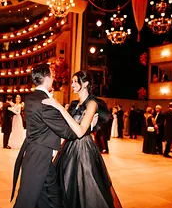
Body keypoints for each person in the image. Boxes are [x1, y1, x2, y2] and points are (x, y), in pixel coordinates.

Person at [42, 70, 122, 208]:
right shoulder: (74, 104)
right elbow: (66, 127)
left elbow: (79, 132)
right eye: (72, 81)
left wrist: (60, 107)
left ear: (85, 83)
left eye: (75, 81)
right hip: (68, 147)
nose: (72, 84)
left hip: (83, 150)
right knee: (63, 185)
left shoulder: (92, 104)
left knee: (86, 188)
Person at [11, 64, 79, 208]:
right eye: (52, 76)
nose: (54, 78)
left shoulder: (30, 98)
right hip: (40, 157)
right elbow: (67, 132)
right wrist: (87, 126)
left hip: (35, 154)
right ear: (47, 78)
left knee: (45, 196)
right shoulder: (45, 102)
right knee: (33, 199)